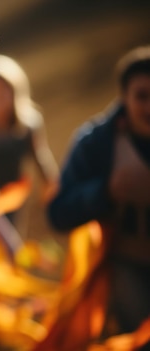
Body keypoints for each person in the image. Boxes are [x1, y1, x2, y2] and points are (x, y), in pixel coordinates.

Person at [43, 45, 150, 349]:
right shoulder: (97, 143)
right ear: (124, 98)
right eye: (142, 97)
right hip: (125, 263)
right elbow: (58, 213)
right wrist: (105, 192)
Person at [0, 54, 59, 225]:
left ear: (16, 94)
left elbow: (40, 157)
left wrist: (51, 186)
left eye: (4, 91)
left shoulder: (28, 125)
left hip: (14, 194)